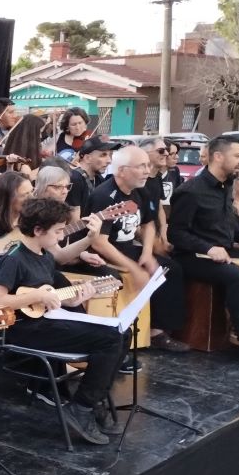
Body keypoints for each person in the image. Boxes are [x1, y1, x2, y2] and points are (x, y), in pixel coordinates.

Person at [0, 198, 128, 445]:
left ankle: (93, 400)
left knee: (119, 331)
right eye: (59, 231)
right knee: (109, 339)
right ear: (39, 230)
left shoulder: (44, 256)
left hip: (47, 321)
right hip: (24, 329)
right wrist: (36, 295)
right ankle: (82, 407)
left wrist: (74, 298)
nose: (63, 236)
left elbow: (55, 296)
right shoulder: (15, 258)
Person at [169, 137, 239, 368]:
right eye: (238, 156)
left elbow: (221, 224)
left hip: (221, 253)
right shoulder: (190, 191)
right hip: (191, 258)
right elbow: (176, 234)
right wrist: (208, 248)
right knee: (236, 276)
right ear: (218, 156)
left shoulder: (227, 185)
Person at [87, 145, 189, 353]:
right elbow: (99, 243)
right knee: (119, 276)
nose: (146, 170)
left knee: (171, 268)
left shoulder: (140, 191)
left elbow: (148, 224)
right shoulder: (105, 196)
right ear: (122, 171)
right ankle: (119, 337)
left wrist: (146, 253)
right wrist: (133, 268)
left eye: (147, 165)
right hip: (101, 253)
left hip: (129, 248)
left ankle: (158, 330)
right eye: (141, 166)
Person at [33, 165, 108, 270]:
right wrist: (89, 239)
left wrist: (82, 254)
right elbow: (59, 257)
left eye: (67, 186)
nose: (65, 191)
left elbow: (60, 250)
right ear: (42, 187)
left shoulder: (58, 211)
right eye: (57, 187)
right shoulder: (35, 212)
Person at [67, 136, 119, 217]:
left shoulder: (99, 179)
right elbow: (74, 223)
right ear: (87, 158)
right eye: (103, 155)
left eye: (110, 155)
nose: (109, 161)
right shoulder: (75, 179)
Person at [0, 171, 33, 237]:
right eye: (25, 194)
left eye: (32, 191)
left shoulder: (32, 220)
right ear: (8, 197)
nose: (32, 198)